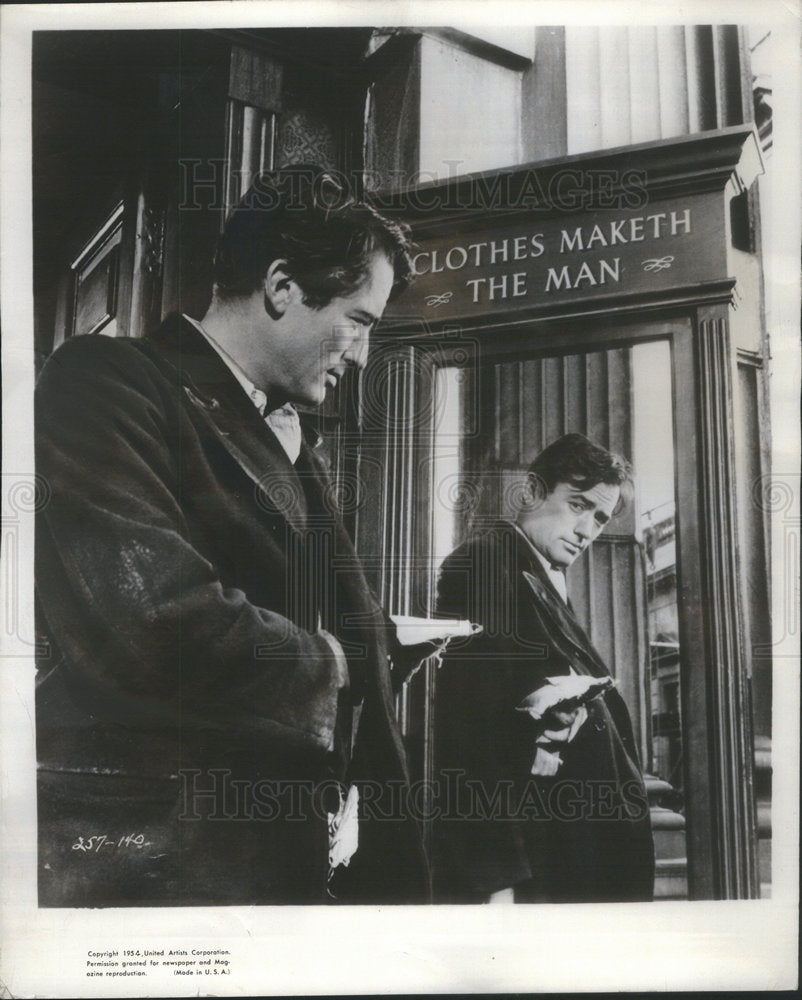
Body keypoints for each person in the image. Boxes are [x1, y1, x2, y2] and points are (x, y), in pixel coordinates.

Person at [35, 166, 433, 906]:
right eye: (360, 320)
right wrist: (341, 659)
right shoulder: (101, 379)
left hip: (264, 862)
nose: (362, 353)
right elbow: (153, 623)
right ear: (282, 287)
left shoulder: (284, 435)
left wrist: (378, 642)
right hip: (160, 871)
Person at [433, 433, 655, 903]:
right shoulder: (487, 562)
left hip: (563, 852)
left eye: (600, 518)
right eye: (578, 505)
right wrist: (498, 876)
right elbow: (469, 729)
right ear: (533, 491)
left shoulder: (534, 573)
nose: (588, 530)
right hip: (542, 859)